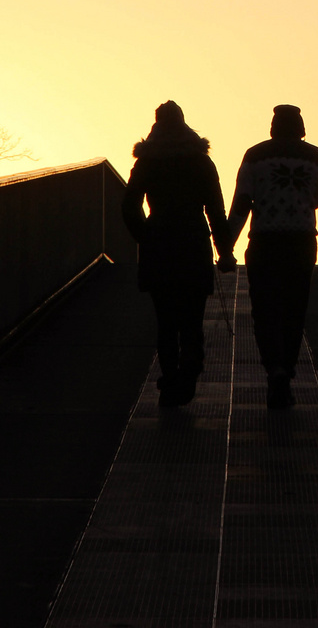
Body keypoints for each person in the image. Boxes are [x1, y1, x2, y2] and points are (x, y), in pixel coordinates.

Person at [122, 101, 234, 407]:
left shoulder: (147, 162)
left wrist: (145, 236)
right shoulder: (200, 161)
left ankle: (171, 377)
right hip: (192, 243)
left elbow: (129, 205)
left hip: (159, 244)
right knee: (192, 319)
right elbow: (216, 209)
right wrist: (224, 252)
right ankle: (189, 373)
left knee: (166, 321)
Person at [224, 104, 318, 410]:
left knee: (266, 309)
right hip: (302, 241)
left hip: (265, 242)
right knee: (294, 309)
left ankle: (274, 369)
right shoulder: (314, 155)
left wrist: (225, 245)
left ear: (272, 126)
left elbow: (242, 200)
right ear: (301, 126)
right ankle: (288, 371)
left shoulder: (254, 155)